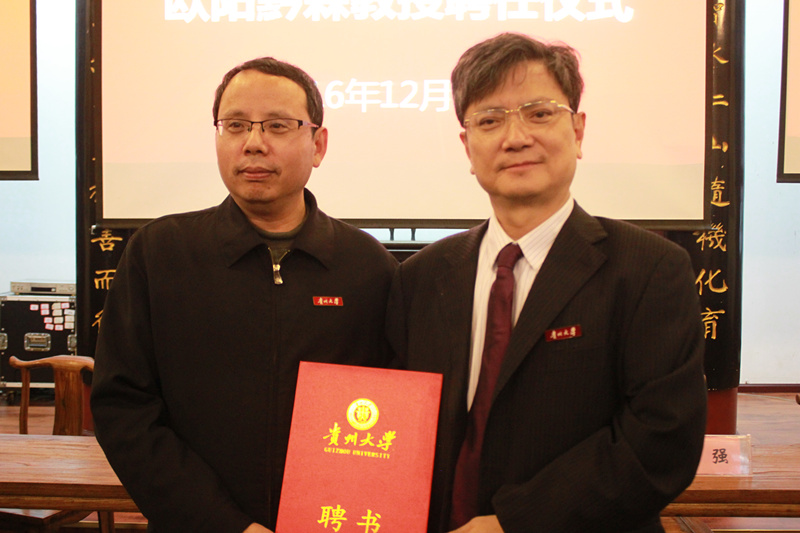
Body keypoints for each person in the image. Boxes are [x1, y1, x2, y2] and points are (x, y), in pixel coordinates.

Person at [386, 33, 707, 533]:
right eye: (489, 120)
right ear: (467, 147)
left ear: (578, 131)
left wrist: (510, 524)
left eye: (539, 113)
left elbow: (661, 442)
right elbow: (398, 427)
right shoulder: (421, 277)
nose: (515, 138)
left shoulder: (649, 269)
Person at [91, 57, 398, 533]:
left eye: (277, 125)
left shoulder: (367, 267)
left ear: (318, 144)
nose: (253, 143)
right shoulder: (159, 254)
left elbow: (391, 417)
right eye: (235, 125)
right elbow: (124, 410)